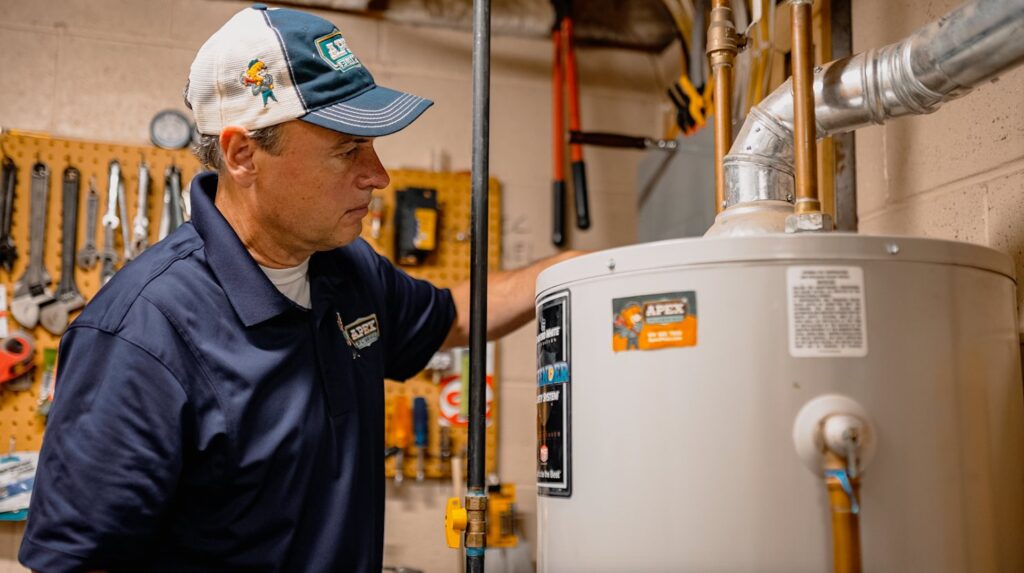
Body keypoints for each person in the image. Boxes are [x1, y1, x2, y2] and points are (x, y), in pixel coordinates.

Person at [19, 5, 578, 572]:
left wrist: (579, 272)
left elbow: (452, 315)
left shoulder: (347, 267)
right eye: (347, 150)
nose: (379, 175)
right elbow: (76, 563)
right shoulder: (140, 336)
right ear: (243, 156)